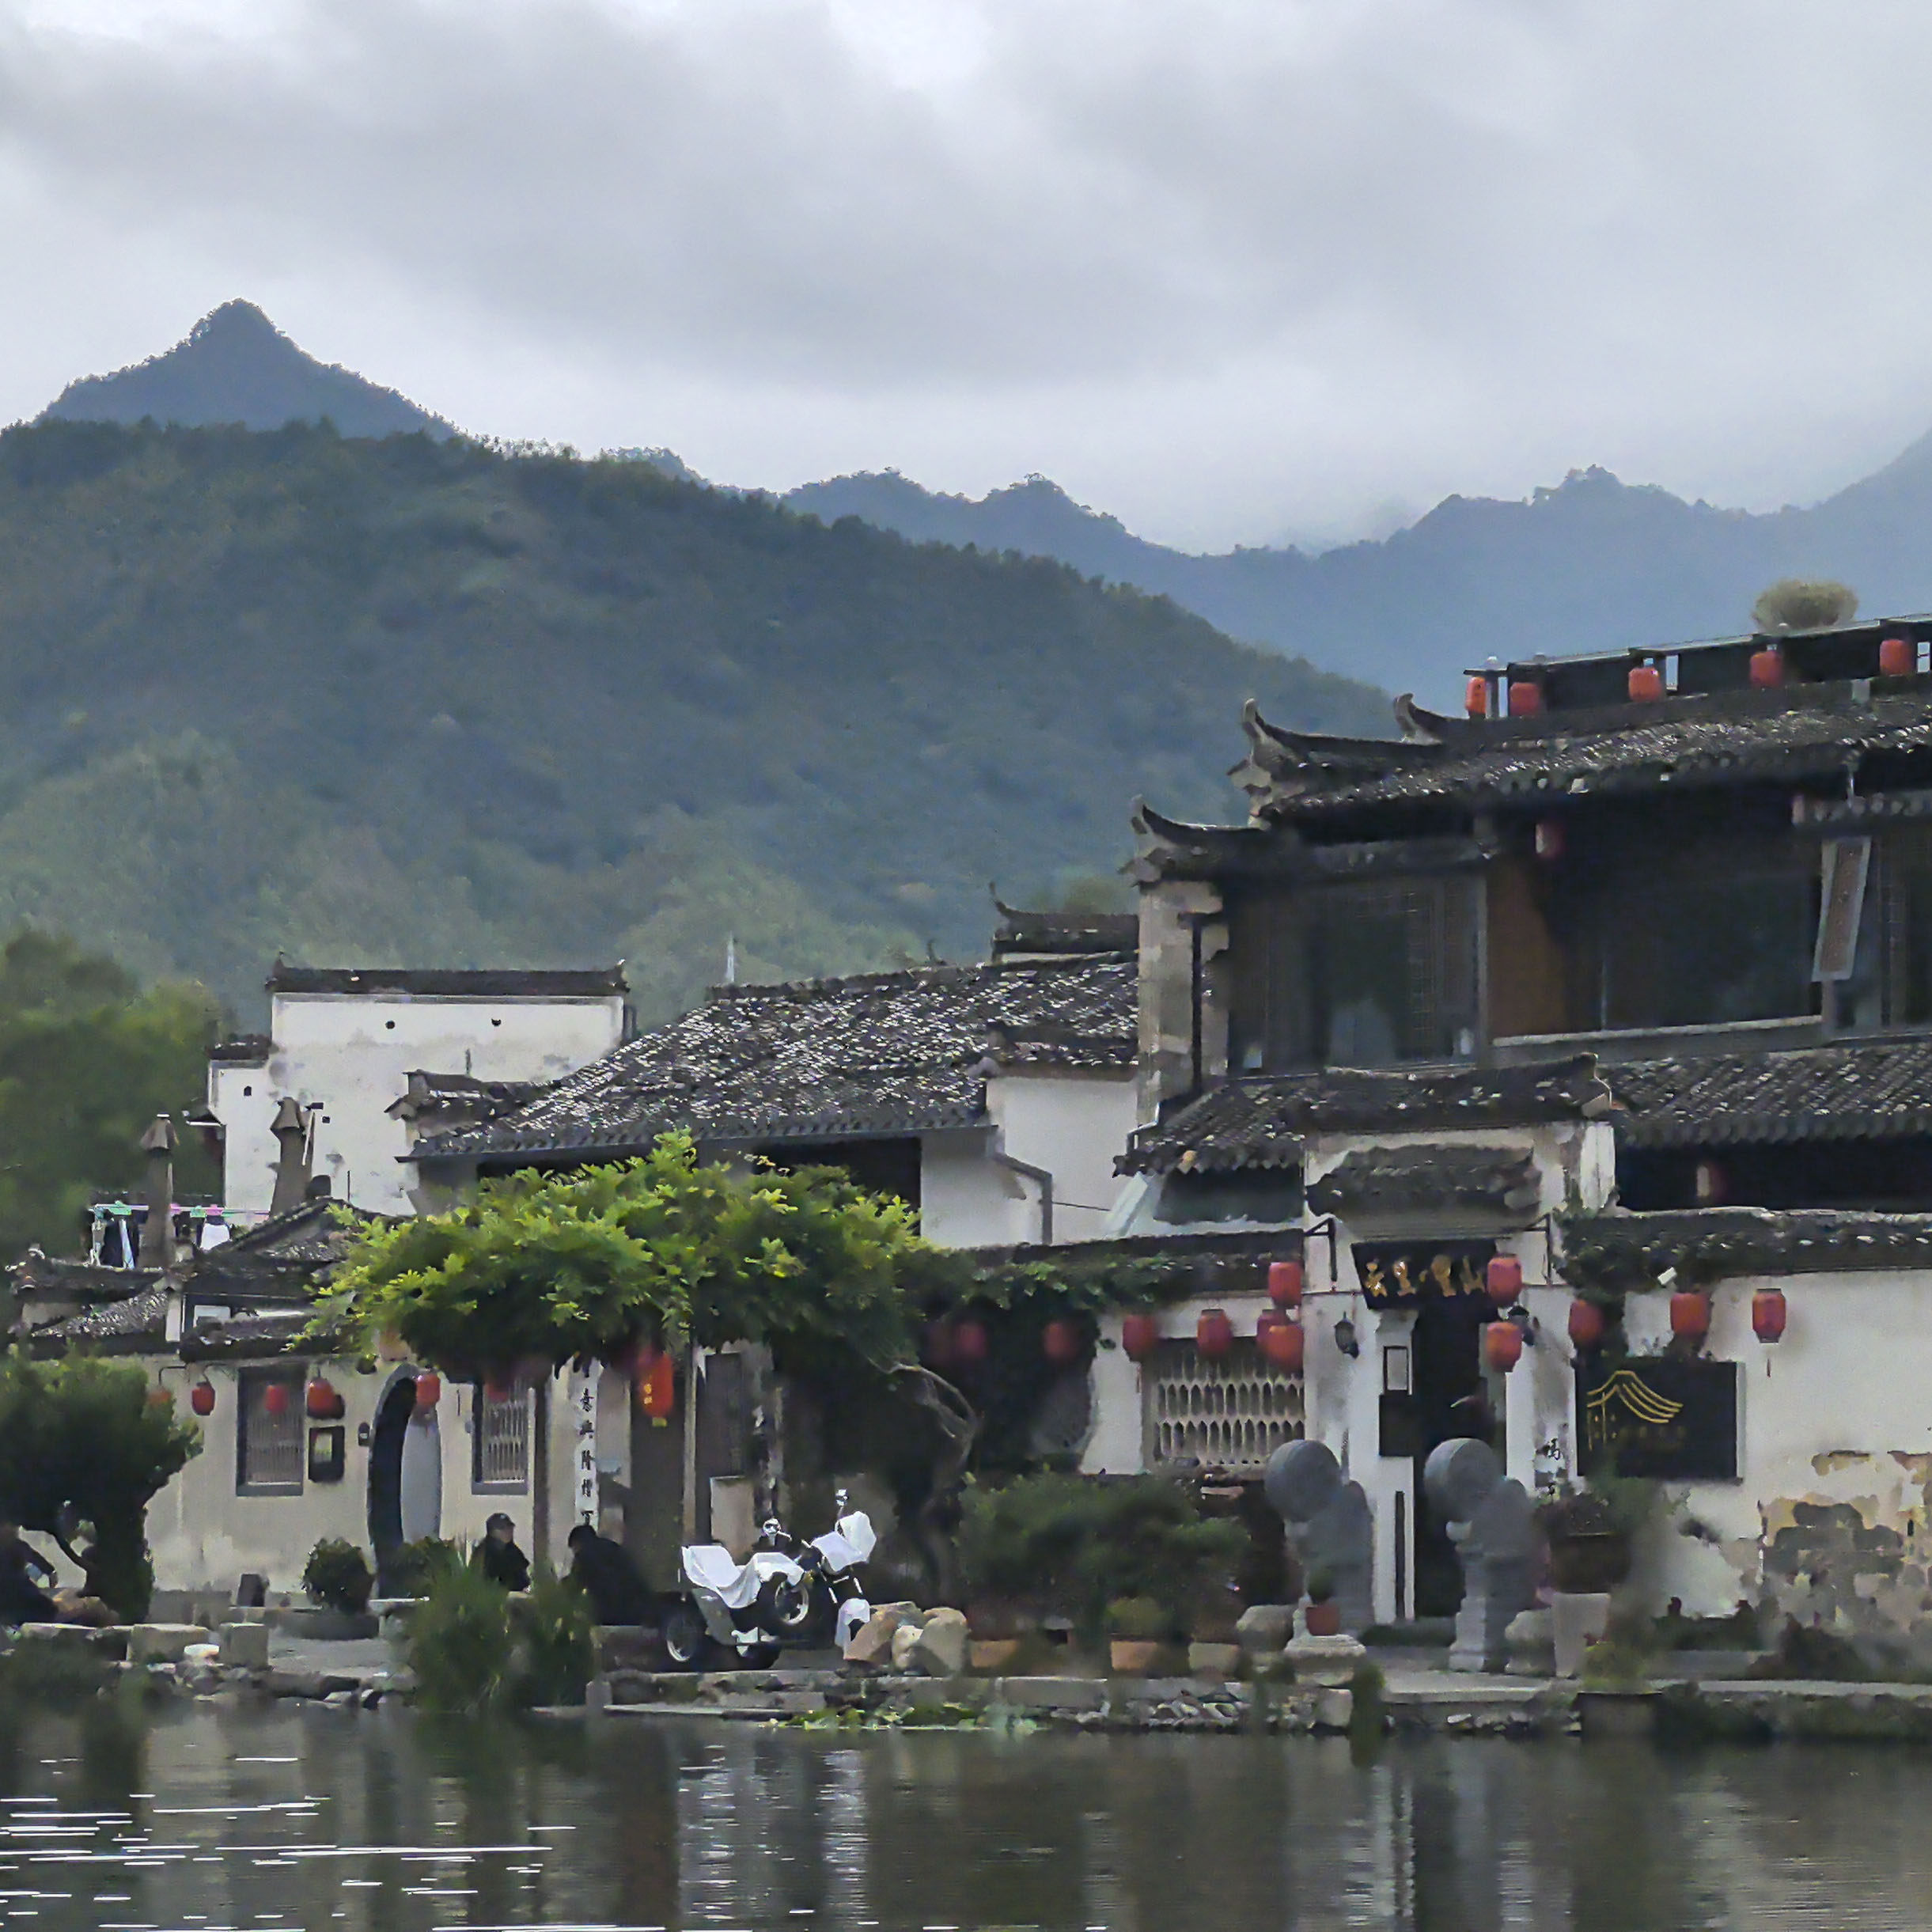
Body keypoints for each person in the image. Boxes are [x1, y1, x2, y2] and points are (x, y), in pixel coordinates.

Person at [566, 1523, 653, 1624]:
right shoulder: (614, 1548)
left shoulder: (584, 1556)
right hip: (634, 1611)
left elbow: (574, 1585)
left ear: (577, 1543)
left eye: (574, 1548)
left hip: (607, 1613)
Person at [0, 1523, 59, 1627]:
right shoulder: (17, 1546)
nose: (16, 1530)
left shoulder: (19, 1546)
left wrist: (51, 1571)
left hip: (19, 1594)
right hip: (16, 1596)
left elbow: (34, 1557)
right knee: (49, 1609)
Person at [475, 1513, 531, 1592]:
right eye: (503, 1528)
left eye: (510, 1528)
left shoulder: (514, 1551)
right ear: (492, 1532)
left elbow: (523, 1577)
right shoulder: (483, 1552)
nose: (508, 1531)